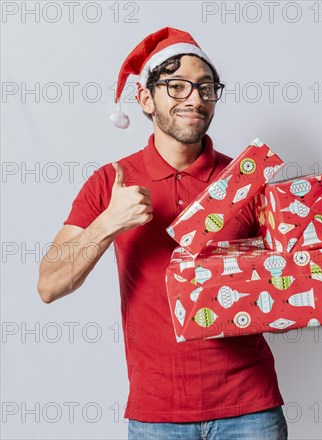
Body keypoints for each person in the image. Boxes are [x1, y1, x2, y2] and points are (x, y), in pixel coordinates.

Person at [37, 27, 287, 440]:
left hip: (250, 409)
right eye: (177, 86)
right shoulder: (111, 182)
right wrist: (109, 222)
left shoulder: (246, 180)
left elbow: (287, 281)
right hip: (157, 416)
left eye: (207, 87)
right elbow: (49, 284)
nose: (195, 98)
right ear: (145, 98)